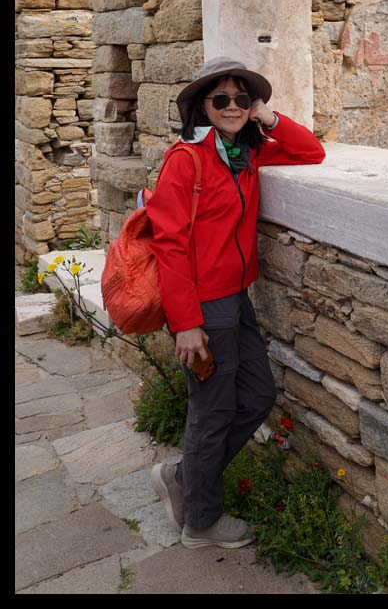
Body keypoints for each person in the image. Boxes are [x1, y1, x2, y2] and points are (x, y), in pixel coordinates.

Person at [147, 56, 326, 549]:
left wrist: (268, 117)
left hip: (236, 297)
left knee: (257, 396)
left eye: (241, 98)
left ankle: (183, 479)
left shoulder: (246, 153)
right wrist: (187, 322)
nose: (232, 106)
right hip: (203, 305)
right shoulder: (187, 159)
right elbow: (169, 244)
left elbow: (311, 152)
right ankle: (201, 522)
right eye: (221, 99)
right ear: (201, 106)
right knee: (212, 412)